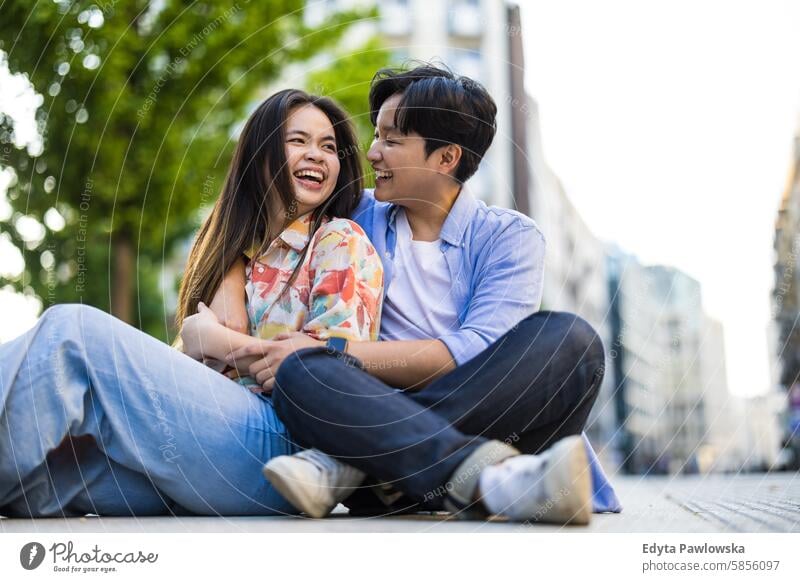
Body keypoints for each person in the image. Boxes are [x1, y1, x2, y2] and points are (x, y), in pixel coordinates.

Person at [218, 65, 621, 524]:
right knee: (301, 372)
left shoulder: (511, 236)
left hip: (432, 441)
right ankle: (468, 475)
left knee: (572, 340)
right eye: (376, 136)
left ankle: (347, 468)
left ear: (446, 158)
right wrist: (230, 285)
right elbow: (255, 219)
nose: (371, 153)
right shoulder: (353, 209)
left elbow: (476, 351)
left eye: (391, 140)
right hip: (382, 441)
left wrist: (337, 349)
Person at [0, 88, 384, 517]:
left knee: (70, 334)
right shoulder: (236, 255)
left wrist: (216, 340)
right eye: (298, 141)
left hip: (285, 451)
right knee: (50, 477)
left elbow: (327, 375)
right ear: (259, 156)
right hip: (214, 450)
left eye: (328, 147)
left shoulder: (338, 241)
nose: (317, 155)